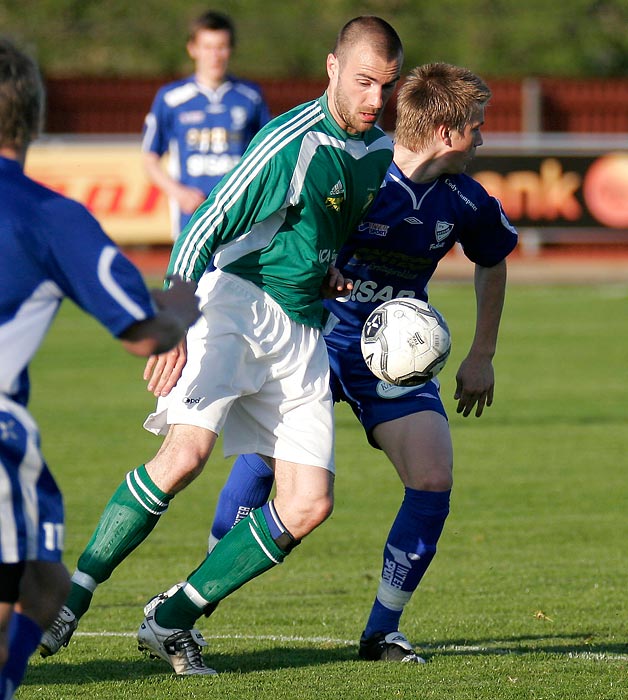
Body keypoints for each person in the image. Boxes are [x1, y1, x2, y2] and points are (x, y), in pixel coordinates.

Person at [40, 16, 404, 676]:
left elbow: (311, 233)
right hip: (233, 307)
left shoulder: (378, 153)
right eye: (364, 82)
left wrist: (326, 270)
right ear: (332, 69)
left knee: (307, 504)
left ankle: (170, 618)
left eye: (387, 84)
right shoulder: (286, 141)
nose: (376, 98)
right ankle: (72, 597)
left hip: (302, 331)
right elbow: (209, 220)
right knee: (184, 456)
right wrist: (175, 316)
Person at [202, 62, 519, 663]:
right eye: (476, 127)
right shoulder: (359, 170)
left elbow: (493, 259)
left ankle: (382, 632)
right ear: (447, 130)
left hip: (392, 360)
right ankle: (196, 596)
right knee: (265, 464)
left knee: (432, 476)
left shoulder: (465, 199)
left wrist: (482, 354)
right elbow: (279, 238)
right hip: (313, 343)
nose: (482, 138)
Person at [0, 39, 200, 700]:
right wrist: (179, 308)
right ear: (32, 120)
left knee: (40, 585)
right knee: (35, 589)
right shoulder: (48, 215)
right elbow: (141, 334)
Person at [141, 10, 271, 240]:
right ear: (192, 49)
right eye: (208, 47)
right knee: (183, 278)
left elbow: (268, 156)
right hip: (191, 220)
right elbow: (149, 159)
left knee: (235, 276)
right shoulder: (171, 98)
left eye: (221, 47)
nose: (215, 55)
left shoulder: (250, 97)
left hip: (239, 219)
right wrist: (179, 194)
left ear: (230, 50)